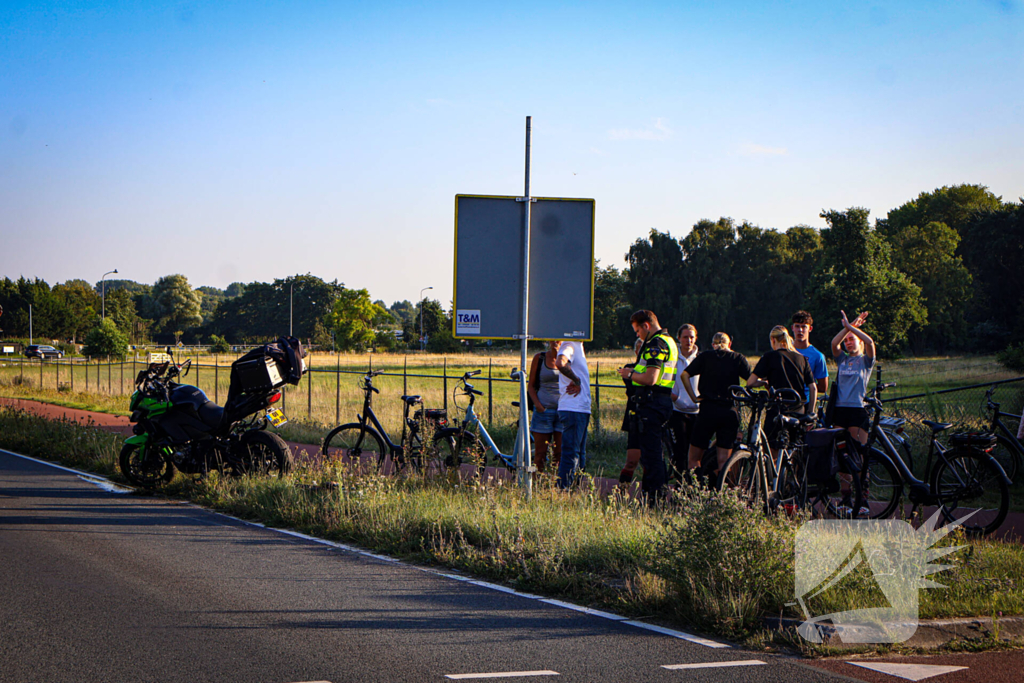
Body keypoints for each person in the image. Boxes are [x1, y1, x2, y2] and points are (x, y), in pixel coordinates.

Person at [616, 310, 678, 501]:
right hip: (660, 401)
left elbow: (650, 378)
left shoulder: (656, 344)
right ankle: (652, 496)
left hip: (652, 402)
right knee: (653, 454)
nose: (637, 335)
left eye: (638, 330)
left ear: (646, 326)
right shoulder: (669, 341)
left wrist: (630, 375)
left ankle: (654, 499)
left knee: (652, 457)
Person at [680, 332, 753, 477]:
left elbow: (684, 375)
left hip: (707, 408)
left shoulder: (705, 356)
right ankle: (721, 487)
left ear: (713, 344)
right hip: (729, 410)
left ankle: (696, 486)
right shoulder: (737, 358)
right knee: (724, 461)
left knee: (694, 458)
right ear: (730, 344)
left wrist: (694, 397)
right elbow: (751, 381)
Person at [830, 310, 876, 514]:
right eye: (846, 340)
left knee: (860, 455)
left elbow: (871, 342)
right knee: (842, 456)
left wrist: (852, 327)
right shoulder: (842, 360)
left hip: (857, 411)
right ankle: (846, 498)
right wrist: (847, 327)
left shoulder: (865, 361)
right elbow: (834, 344)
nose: (848, 342)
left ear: (858, 342)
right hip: (840, 411)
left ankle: (863, 499)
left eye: (852, 340)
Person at [748, 326, 817, 448]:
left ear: (773, 340)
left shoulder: (769, 357)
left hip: (777, 409)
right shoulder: (801, 358)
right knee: (794, 448)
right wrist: (810, 412)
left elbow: (750, 383)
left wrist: (764, 383)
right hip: (798, 410)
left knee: (772, 450)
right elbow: (813, 387)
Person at [555, 341, 591, 489]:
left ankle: (573, 488)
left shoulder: (577, 346)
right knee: (571, 453)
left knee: (578, 453)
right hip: (574, 408)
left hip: (580, 408)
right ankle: (564, 490)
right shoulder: (570, 344)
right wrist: (576, 380)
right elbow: (560, 362)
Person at [667, 324, 699, 479]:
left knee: (695, 452)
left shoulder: (701, 358)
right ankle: (680, 488)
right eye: (685, 337)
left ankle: (694, 486)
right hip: (677, 410)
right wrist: (675, 397)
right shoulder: (673, 357)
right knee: (680, 450)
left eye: (692, 337)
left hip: (697, 411)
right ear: (678, 338)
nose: (689, 340)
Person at [527, 340, 563, 473]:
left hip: (562, 412)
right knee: (540, 453)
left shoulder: (568, 359)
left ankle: (556, 484)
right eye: (552, 339)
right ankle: (537, 483)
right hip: (543, 411)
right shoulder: (540, 358)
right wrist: (538, 405)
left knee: (559, 453)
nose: (555, 342)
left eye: (558, 339)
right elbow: (531, 386)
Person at [618, 338, 644, 486]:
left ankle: (650, 495)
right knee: (632, 460)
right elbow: (634, 381)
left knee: (650, 461)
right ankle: (621, 494)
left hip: (651, 416)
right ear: (635, 351)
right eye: (640, 350)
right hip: (634, 416)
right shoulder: (629, 368)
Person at [791, 310, 829, 403]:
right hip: (784, 401)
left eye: (804, 327)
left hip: (805, 403)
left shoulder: (817, 356)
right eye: (797, 326)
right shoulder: (786, 351)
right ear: (792, 328)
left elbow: (823, 387)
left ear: (810, 329)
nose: (800, 330)